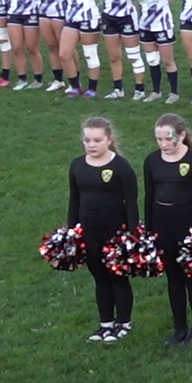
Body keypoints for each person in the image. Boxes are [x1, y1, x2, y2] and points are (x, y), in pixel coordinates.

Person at [67, 116, 139, 343]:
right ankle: (105, 323)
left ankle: (124, 323)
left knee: (117, 277)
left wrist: (132, 234)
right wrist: (71, 232)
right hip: (89, 232)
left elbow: (132, 202)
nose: (91, 144)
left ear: (109, 140)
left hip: (115, 233)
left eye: (97, 140)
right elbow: (74, 200)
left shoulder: (120, 166)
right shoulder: (77, 165)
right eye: (87, 140)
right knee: (100, 277)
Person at [145, 114, 192, 346]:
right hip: (163, 226)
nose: (163, 144)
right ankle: (179, 328)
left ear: (182, 135)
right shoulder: (152, 161)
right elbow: (149, 196)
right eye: (159, 139)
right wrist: (149, 230)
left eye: (168, 138)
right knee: (173, 278)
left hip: (189, 226)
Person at [96, 0, 142, 100]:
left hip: (127, 17)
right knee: (114, 56)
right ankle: (118, 89)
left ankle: (139, 89)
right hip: (109, 17)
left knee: (133, 55)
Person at [56, 0, 102, 99]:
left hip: (88, 18)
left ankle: (92, 88)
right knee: (64, 54)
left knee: (90, 54)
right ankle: (75, 86)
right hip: (71, 18)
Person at [133, 0, 179, 103]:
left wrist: (168, 0)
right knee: (152, 60)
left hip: (162, 25)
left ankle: (174, 92)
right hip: (145, 26)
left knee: (168, 60)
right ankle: (156, 91)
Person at [4, 0, 42, 89]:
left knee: (32, 48)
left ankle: (38, 79)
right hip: (14, 13)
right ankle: (22, 79)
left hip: (30, 12)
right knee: (17, 48)